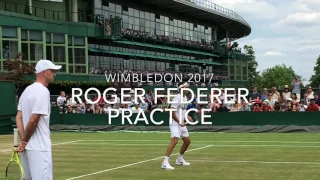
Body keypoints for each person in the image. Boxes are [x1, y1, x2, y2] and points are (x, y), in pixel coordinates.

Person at [15, 59, 62, 180]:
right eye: (52, 71)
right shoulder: (43, 91)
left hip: (28, 148)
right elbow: (33, 120)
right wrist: (24, 140)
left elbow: (19, 117)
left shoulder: (26, 91)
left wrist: (23, 139)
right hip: (39, 148)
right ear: (44, 72)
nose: (54, 74)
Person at [161, 82, 192, 170]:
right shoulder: (177, 97)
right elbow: (171, 111)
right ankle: (165, 162)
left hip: (181, 122)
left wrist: (187, 116)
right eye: (186, 87)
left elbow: (182, 110)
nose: (188, 88)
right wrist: (179, 122)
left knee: (187, 142)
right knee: (174, 141)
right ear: (181, 88)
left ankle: (179, 159)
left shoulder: (185, 97)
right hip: (175, 123)